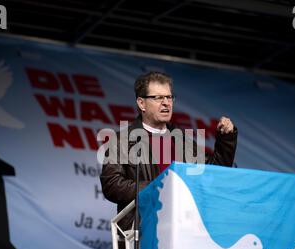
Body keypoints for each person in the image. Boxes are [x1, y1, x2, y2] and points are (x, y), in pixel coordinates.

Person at [100, 71, 237, 231]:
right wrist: (157, 188)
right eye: (158, 98)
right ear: (141, 103)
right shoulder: (123, 141)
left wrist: (226, 139)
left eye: (169, 97)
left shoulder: (182, 141)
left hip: (187, 229)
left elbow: (214, 173)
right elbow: (112, 184)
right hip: (144, 229)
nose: (166, 103)